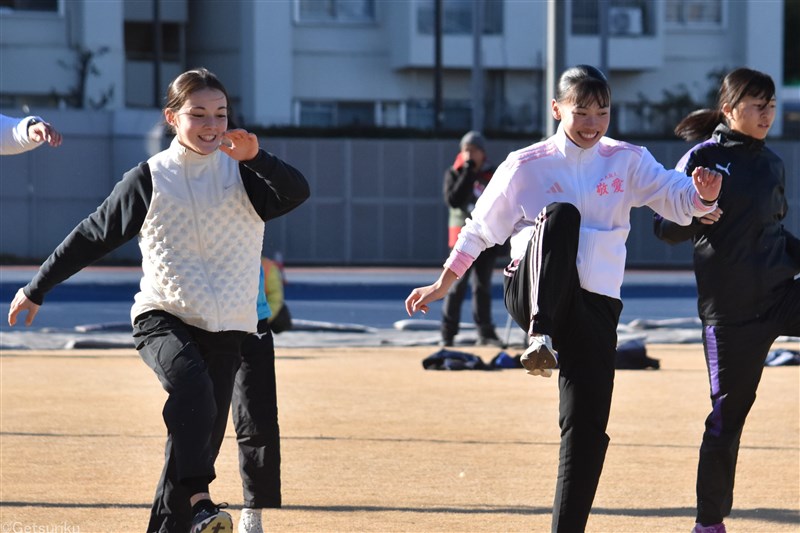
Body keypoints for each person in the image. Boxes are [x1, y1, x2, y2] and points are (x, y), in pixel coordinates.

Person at [404, 65, 722, 531]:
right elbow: (478, 230)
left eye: (602, 112)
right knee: (562, 216)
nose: (592, 122)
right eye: (581, 111)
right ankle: (540, 335)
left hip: (595, 307)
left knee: (587, 428)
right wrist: (442, 283)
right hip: (532, 292)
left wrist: (701, 198)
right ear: (557, 109)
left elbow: (672, 195)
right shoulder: (525, 164)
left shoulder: (626, 159)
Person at [6, 67, 310, 533]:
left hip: (229, 324)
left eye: (221, 114)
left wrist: (259, 158)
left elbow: (297, 192)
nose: (212, 124)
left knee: (194, 439)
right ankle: (203, 500)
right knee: (193, 392)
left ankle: (180, 519)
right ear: (172, 117)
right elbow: (92, 235)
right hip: (163, 315)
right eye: (198, 114)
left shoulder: (246, 174)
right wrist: (36, 288)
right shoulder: (149, 178)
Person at [653, 67, 800, 533]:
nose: (767, 114)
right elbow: (665, 229)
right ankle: (709, 522)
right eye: (758, 105)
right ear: (730, 109)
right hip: (731, 314)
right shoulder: (703, 158)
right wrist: (698, 204)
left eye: (771, 105)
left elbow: (774, 235)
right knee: (726, 420)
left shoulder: (773, 163)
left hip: (780, 295)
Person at [441, 130, 504, 347]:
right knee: (455, 286)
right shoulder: (455, 172)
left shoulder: (492, 174)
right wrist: (468, 172)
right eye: (466, 150)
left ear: (482, 153)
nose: (469, 154)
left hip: (486, 239)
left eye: (474, 150)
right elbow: (454, 200)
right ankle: (447, 332)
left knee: (482, 286)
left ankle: (485, 332)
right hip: (461, 238)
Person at [233, 264, 282, 533]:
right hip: (197, 316)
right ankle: (195, 502)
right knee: (198, 414)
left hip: (251, 315)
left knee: (256, 417)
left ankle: (253, 510)